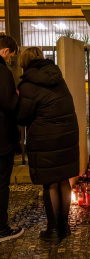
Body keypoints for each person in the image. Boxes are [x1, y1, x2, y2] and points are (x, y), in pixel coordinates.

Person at [17, 47, 79, 244]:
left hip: (45, 139)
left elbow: (23, 117)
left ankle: (52, 230)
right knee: (63, 181)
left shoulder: (28, 85)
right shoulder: (58, 79)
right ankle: (65, 227)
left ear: (24, 63)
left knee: (50, 183)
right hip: (67, 137)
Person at [0, 34, 25, 243]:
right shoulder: (2, 72)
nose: (9, 61)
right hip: (0, 140)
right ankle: (1, 229)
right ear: (5, 51)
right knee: (1, 184)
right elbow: (9, 104)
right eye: (10, 57)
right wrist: (17, 94)